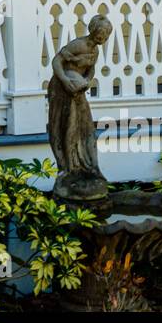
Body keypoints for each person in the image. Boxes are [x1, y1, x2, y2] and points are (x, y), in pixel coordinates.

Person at [47, 14, 111, 200]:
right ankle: (68, 168)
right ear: (93, 30)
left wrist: (87, 80)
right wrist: (66, 81)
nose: (103, 37)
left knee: (85, 126)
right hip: (62, 88)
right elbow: (56, 61)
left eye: (106, 34)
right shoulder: (79, 45)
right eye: (101, 32)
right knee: (67, 125)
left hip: (77, 89)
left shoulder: (95, 51)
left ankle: (88, 166)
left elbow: (91, 68)